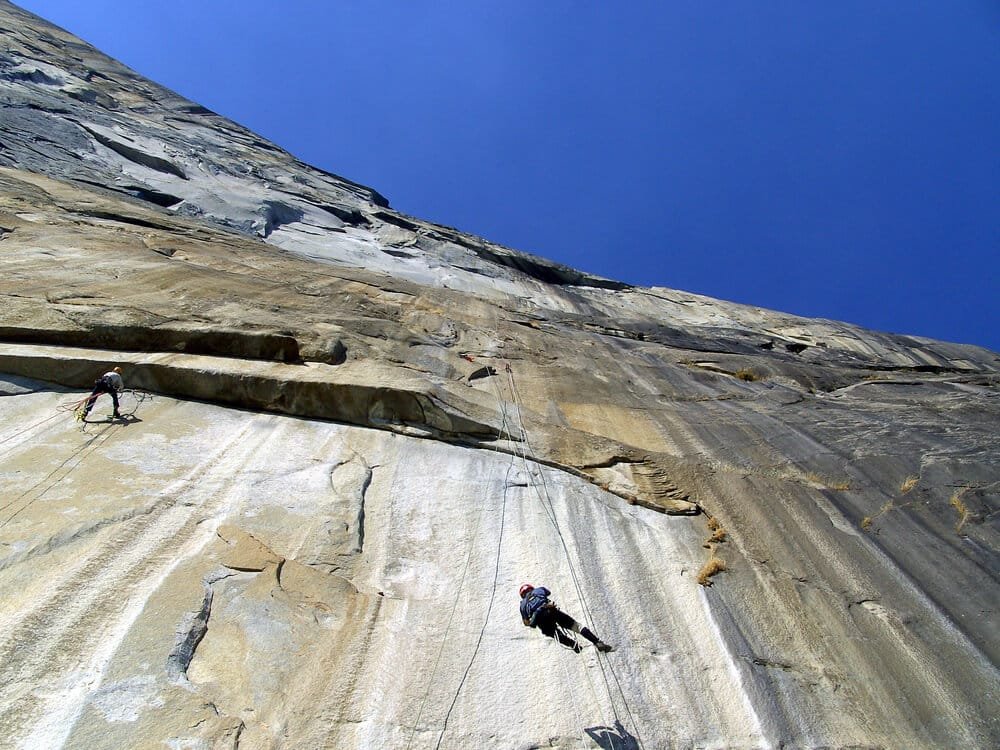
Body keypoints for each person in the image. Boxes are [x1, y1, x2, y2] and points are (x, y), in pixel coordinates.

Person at [519, 583, 614, 653]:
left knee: (555, 634)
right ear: (531, 588)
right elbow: (548, 592)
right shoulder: (539, 590)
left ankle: (574, 645)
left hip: (541, 621)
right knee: (577, 627)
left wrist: (534, 616)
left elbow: (526, 622)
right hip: (551, 611)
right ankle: (597, 642)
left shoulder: (523, 605)